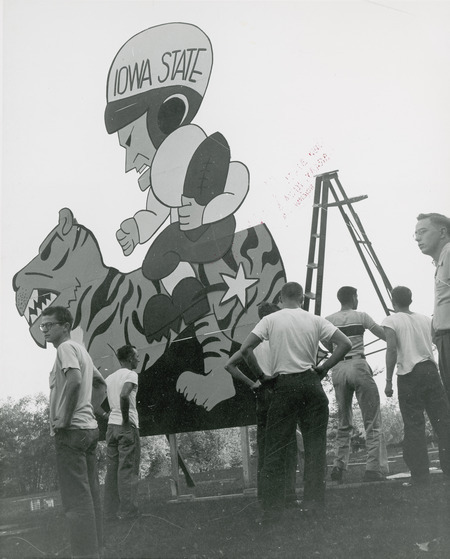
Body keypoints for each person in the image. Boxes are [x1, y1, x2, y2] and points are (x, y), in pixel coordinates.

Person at [240, 282, 351, 521]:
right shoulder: (315, 319)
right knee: (315, 448)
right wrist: (322, 369)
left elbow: (246, 349)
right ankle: (313, 505)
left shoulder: (271, 320)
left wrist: (262, 377)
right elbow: (345, 344)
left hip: (284, 385)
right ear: (301, 297)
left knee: (275, 448)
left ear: (280, 297)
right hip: (311, 385)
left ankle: (272, 508)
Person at [42, 305, 106, 559]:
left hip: (71, 433)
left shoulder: (66, 348)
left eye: (49, 325)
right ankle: (97, 550)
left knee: (76, 501)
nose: (44, 330)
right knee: (91, 495)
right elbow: (100, 384)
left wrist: (64, 419)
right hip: (88, 431)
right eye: (42, 326)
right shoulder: (82, 350)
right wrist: (91, 409)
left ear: (65, 326)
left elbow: (76, 381)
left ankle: (84, 555)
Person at [225, 302, 298, 506]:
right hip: (281, 390)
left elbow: (229, 365)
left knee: (265, 447)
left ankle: (264, 496)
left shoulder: (253, 342)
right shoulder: (281, 341)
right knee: (288, 445)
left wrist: (254, 383)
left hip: (263, 394)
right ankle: (289, 495)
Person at [382, 286, 450, 486]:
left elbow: (392, 350)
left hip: (409, 374)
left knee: (414, 425)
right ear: (410, 299)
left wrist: (387, 380)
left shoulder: (390, 320)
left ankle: (420, 476)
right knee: (443, 423)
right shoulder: (425, 319)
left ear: (393, 301)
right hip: (430, 371)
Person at [325, 286, 389, 483]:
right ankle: (373, 468)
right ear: (353, 297)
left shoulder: (329, 320)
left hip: (339, 367)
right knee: (372, 420)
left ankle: (339, 466)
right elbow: (384, 335)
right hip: (358, 364)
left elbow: (326, 344)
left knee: (344, 421)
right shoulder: (361, 315)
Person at [415, 213, 450, 401]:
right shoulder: (442, 259)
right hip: (444, 339)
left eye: (423, 231)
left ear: (443, 232)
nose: (418, 238)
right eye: (415, 234)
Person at [104, 345, 142, 520]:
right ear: (128, 358)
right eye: (136, 356)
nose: (138, 360)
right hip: (126, 427)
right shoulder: (131, 374)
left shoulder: (110, 377)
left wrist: (108, 415)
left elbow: (97, 402)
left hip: (111, 428)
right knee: (127, 469)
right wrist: (126, 420)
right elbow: (124, 395)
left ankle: (110, 512)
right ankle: (128, 512)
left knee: (112, 470)